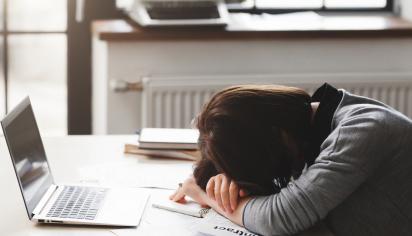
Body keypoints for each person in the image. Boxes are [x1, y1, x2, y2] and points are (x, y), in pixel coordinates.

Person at [169, 83, 412, 236]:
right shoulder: (307, 131)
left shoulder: (362, 130)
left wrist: (205, 196)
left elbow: (279, 217)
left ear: (278, 137)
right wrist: (223, 182)